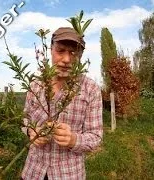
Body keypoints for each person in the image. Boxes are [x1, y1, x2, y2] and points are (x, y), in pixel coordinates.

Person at [21, 27, 103, 180]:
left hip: (68, 173)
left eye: (73, 53)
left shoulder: (90, 89)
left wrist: (73, 140)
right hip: (33, 171)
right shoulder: (35, 85)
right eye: (60, 51)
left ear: (80, 56)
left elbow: (95, 136)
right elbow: (24, 119)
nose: (66, 60)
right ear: (50, 50)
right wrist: (30, 131)